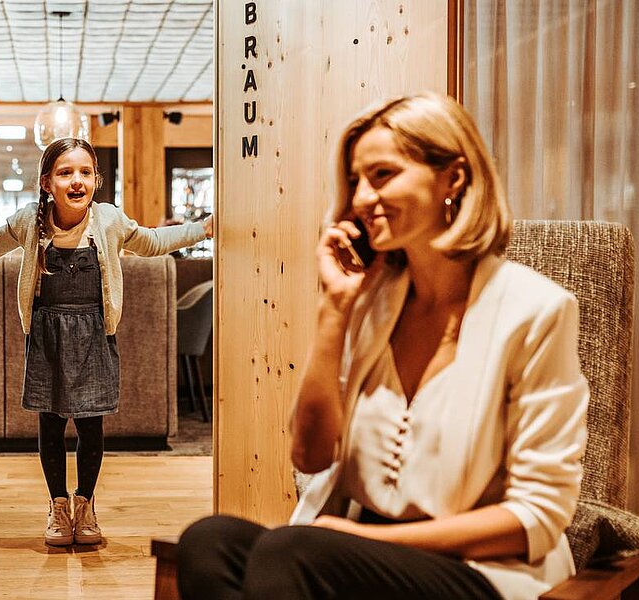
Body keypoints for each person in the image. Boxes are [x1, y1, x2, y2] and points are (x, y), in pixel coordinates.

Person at [175, 93, 589, 600]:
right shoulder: (375, 302)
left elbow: (536, 518)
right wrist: (335, 308)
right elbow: (309, 456)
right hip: (354, 550)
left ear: (453, 178)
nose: (360, 199)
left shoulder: (536, 310)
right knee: (209, 541)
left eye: (382, 175)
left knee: (294, 553)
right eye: (355, 181)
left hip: (479, 570)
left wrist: (368, 539)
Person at [0, 137, 214, 547]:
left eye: (85, 172)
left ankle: (85, 504)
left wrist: (202, 228)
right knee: (50, 424)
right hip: (47, 334)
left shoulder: (109, 220)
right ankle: (58, 507)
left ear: (96, 179)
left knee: (90, 426)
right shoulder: (31, 221)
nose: (76, 180)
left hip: (94, 334)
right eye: (65, 172)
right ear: (47, 182)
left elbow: (151, 242)